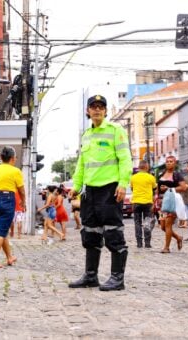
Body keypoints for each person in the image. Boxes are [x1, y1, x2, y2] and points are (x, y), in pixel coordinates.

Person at [68, 95, 132, 291]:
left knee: (113, 233)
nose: (97, 110)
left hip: (109, 189)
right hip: (90, 191)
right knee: (90, 234)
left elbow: (125, 158)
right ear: (88, 111)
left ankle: (117, 278)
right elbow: (82, 164)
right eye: (93, 107)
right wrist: (76, 186)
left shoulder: (116, 130)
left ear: (105, 111)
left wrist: (123, 184)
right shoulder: (86, 135)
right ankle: (90, 276)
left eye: (101, 107)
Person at [0, 146, 25, 268]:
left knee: (1, 230)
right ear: (12, 158)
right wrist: (24, 202)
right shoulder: (16, 171)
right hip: (7, 201)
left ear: (1, 157)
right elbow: (21, 191)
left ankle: (9, 257)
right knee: (0, 232)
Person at [156, 155, 187, 253]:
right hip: (162, 203)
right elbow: (158, 187)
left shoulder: (177, 175)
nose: (168, 163)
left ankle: (166, 247)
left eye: (171, 161)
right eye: (167, 161)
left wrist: (169, 189)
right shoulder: (162, 173)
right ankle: (178, 238)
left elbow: (184, 187)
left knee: (168, 225)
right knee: (163, 227)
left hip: (172, 202)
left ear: (175, 163)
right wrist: (155, 200)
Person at [130, 160, 157, 248]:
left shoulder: (133, 177)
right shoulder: (151, 177)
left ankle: (139, 243)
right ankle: (147, 243)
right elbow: (155, 189)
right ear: (146, 167)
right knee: (147, 222)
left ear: (139, 167)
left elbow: (132, 188)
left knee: (137, 223)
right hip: (148, 203)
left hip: (136, 202)